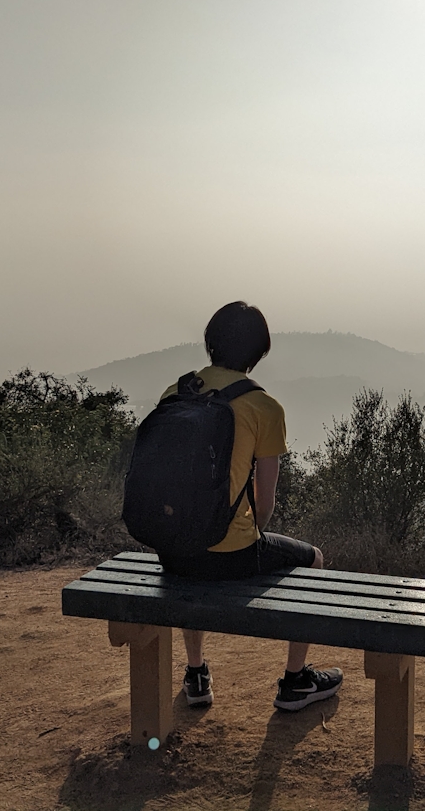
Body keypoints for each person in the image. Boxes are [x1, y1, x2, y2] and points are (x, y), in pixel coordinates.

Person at [157, 301, 343, 712]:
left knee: (191, 544)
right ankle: (296, 682)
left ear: (210, 344)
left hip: (172, 552)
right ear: (259, 353)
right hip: (231, 553)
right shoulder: (264, 408)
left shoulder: (175, 394)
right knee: (314, 559)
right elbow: (265, 502)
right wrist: (243, 535)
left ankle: (196, 672)